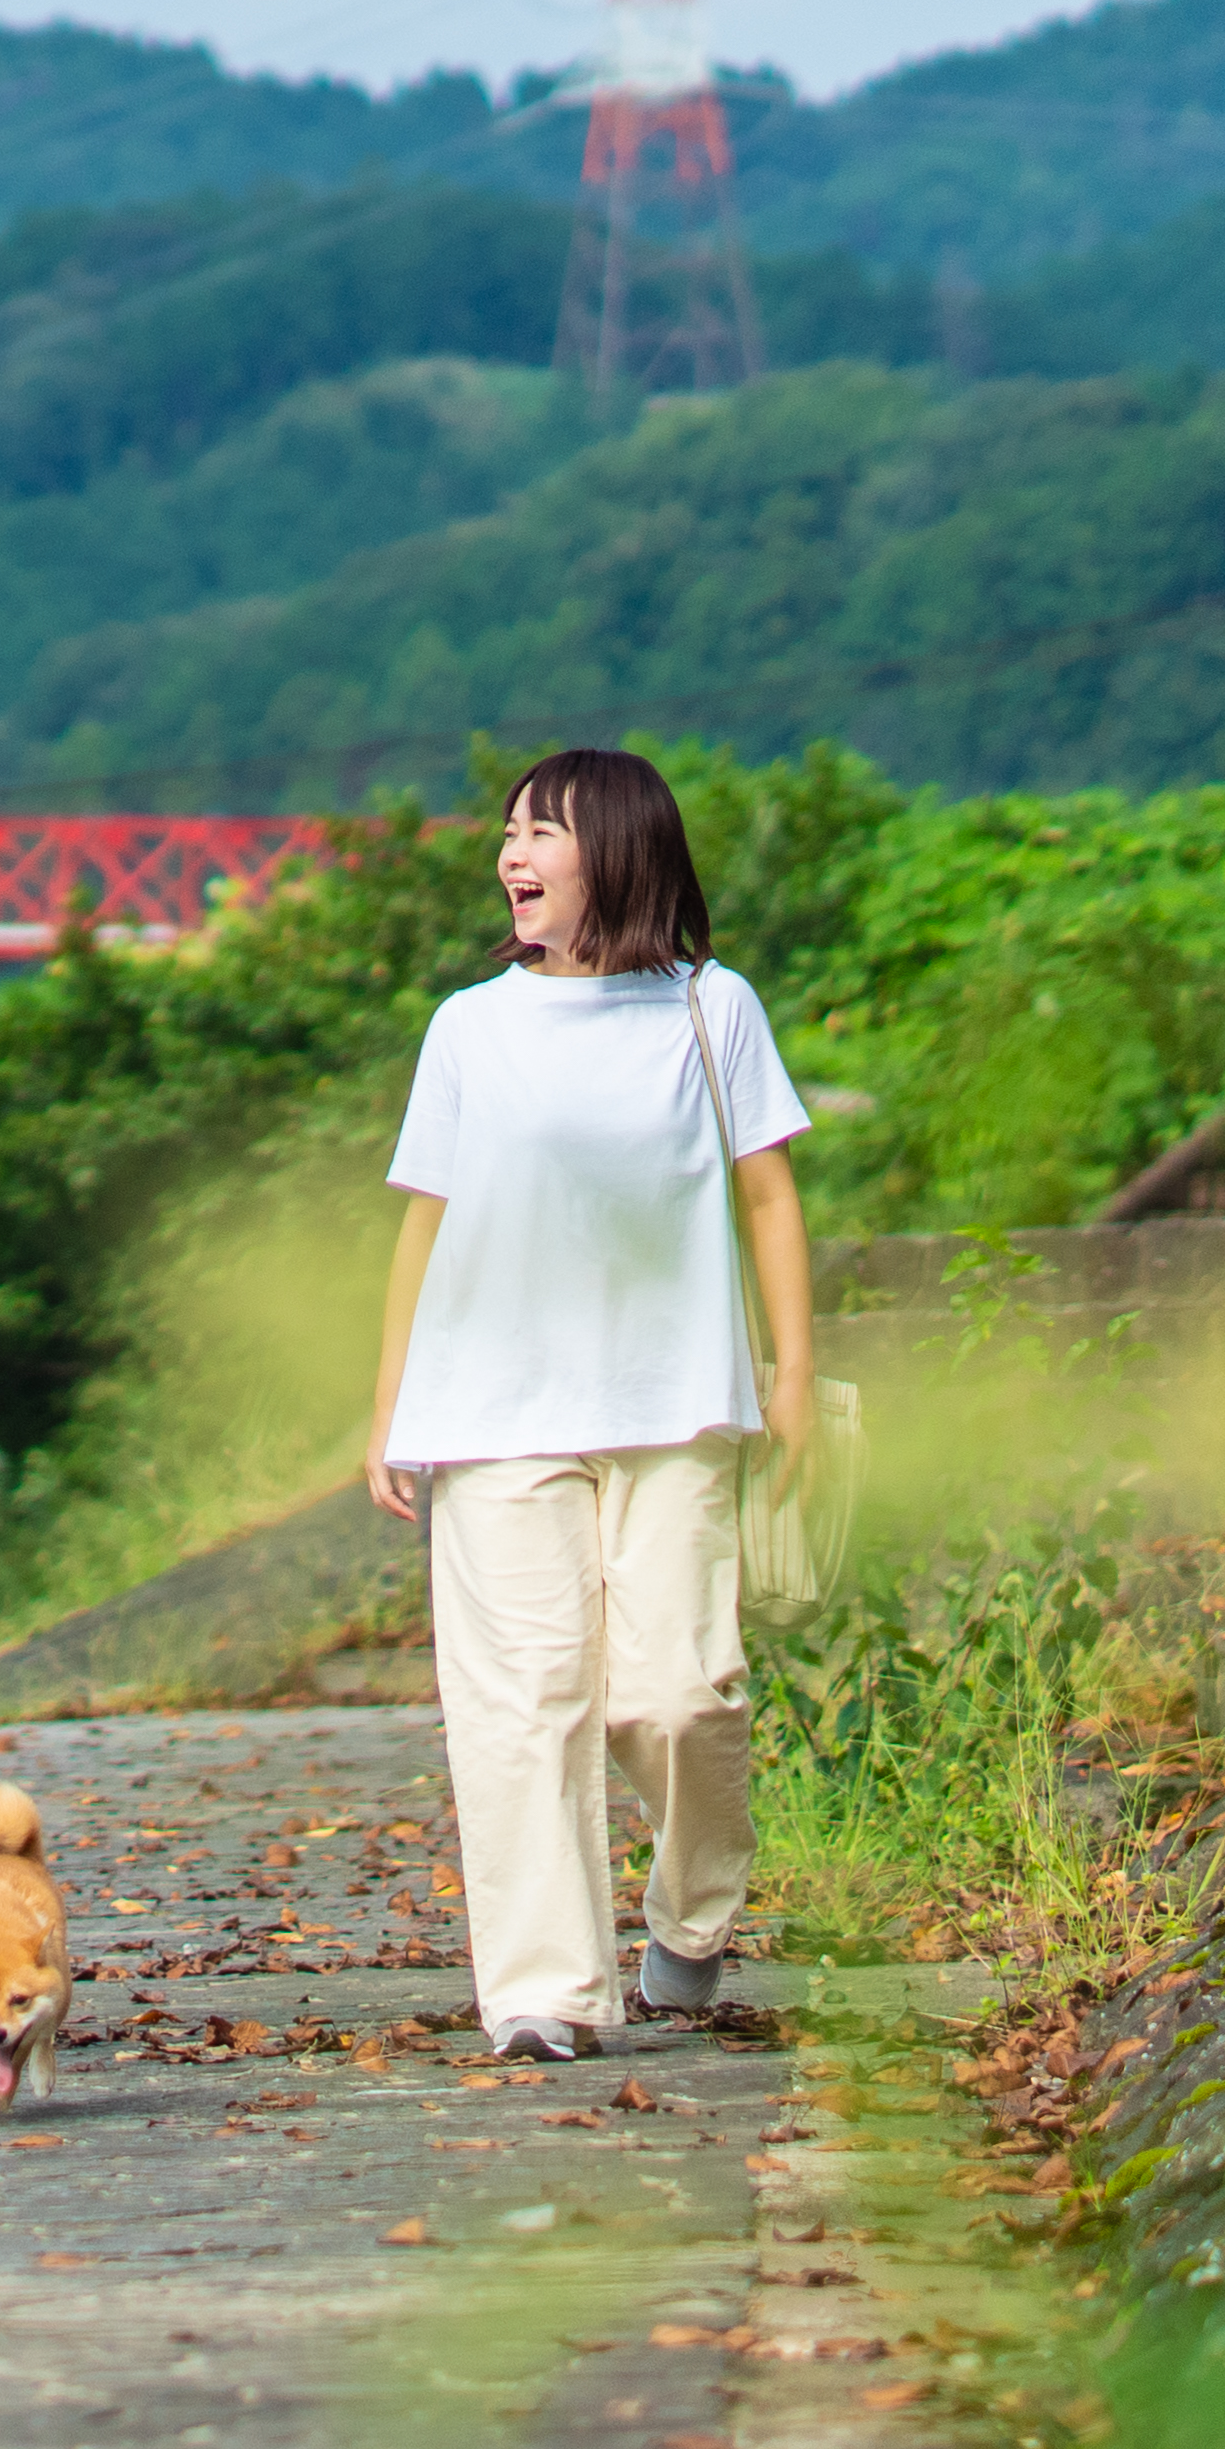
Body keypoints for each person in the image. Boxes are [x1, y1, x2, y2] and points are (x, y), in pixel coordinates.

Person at [367, 747, 816, 2062]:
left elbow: (770, 1195)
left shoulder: (710, 1010)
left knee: (680, 1695)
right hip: (492, 1408)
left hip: (674, 1402)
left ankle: (689, 1916)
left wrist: (791, 1371)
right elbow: (424, 1226)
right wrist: (390, 1405)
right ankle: (544, 1993)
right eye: (507, 833)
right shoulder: (470, 1026)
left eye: (542, 832)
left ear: (613, 850)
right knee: (522, 1707)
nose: (512, 855)